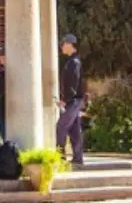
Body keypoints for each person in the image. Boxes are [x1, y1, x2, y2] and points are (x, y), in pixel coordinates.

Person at [56, 34, 85, 165]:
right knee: (74, 130)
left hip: (73, 101)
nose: (61, 46)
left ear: (70, 44)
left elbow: (73, 84)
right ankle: (78, 158)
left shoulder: (74, 62)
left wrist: (65, 100)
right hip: (74, 100)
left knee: (61, 126)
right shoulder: (72, 61)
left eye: (63, 43)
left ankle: (60, 158)